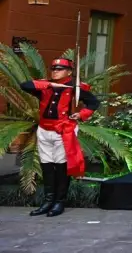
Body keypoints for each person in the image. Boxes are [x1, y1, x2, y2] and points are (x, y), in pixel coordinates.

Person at [19, 57, 99, 217]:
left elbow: (93, 103)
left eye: (59, 69)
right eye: (53, 69)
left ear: (69, 72)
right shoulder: (45, 85)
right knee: (46, 165)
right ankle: (48, 201)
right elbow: (25, 85)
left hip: (64, 129)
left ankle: (59, 202)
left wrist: (81, 114)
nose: (55, 72)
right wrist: (50, 85)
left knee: (61, 165)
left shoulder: (76, 88)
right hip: (44, 129)